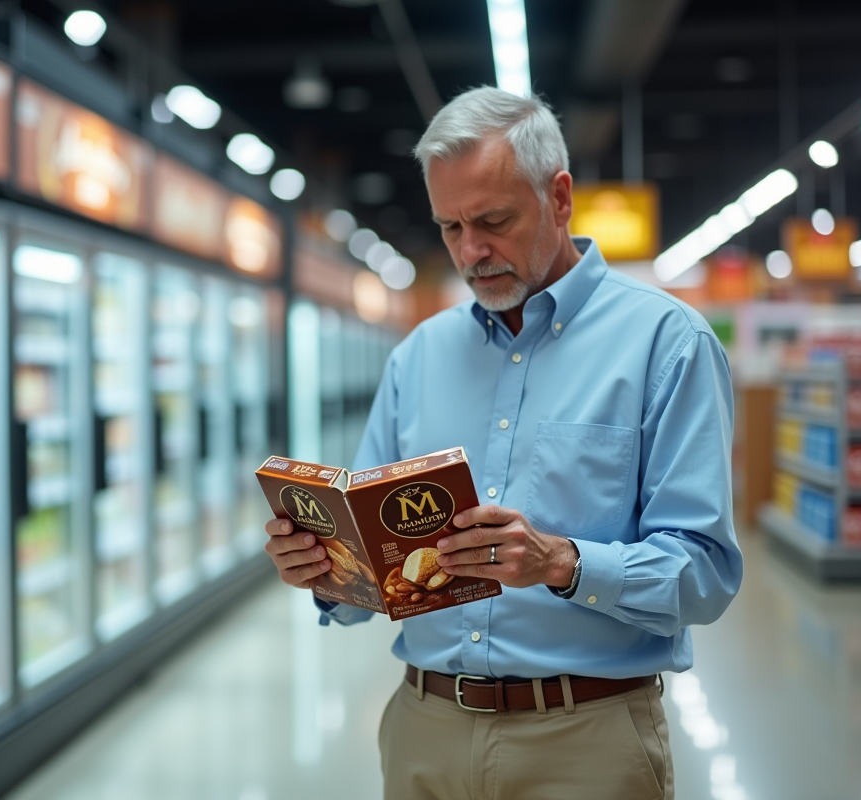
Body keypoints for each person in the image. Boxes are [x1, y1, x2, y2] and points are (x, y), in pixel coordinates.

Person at [263, 86, 743, 800]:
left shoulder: (666, 345)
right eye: (450, 227)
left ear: (560, 197)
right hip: (424, 728)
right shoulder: (418, 356)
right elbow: (371, 577)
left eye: (493, 221)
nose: (471, 251)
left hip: (585, 739)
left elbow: (704, 573)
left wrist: (562, 562)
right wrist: (326, 570)